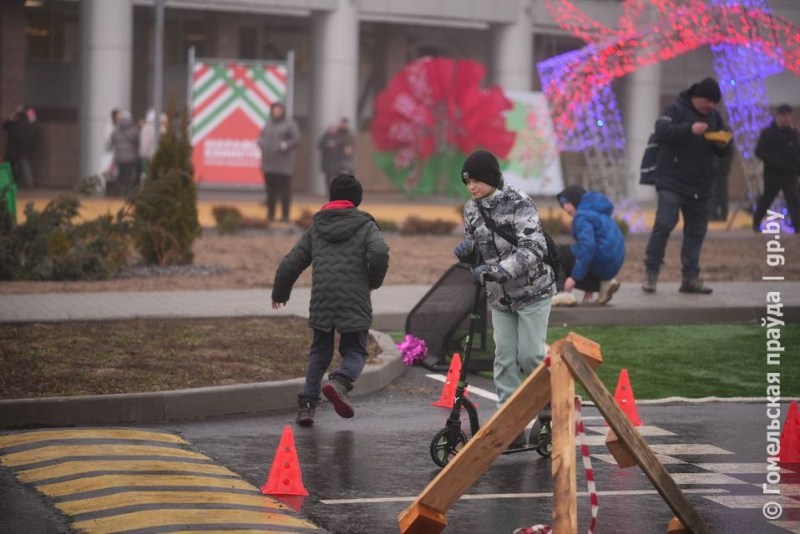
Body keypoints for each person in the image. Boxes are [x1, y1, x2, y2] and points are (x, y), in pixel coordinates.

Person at [452, 149, 555, 450]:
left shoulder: (519, 202)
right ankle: (509, 423)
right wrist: (470, 256)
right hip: (500, 297)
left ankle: (548, 411)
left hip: (533, 291)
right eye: (468, 182)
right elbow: (478, 247)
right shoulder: (471, 208)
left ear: (493, 178)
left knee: (531, 355)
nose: (472, 187)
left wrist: (500, 270)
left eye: (478, 181)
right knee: (504, 358)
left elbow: (533, 248)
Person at [271, 174, 390, 427]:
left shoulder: (317, 227)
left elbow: (292, 262)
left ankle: (306, 408)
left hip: (322, 299)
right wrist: (373, 281)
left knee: (319, 353)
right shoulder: (366, 225)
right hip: (354, 299)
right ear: (356, 200)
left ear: (331, 198)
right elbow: (379, 251)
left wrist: (280, 293)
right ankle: (340, 382)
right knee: (356, 350)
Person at [642, 77, 732, 294]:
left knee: (696, 233)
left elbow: (724, 149)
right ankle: (651, 274)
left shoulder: (714, 117)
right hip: (671, 180)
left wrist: (722, 145)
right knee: (664, 224)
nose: (711, 106)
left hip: (701, 184)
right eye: (708, 101)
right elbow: (662, 130)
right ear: (696, 97)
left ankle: (690, 279)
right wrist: (689, 129)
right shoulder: (675, 109)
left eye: (714, 102)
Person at [551, 185, 625, 306]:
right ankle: (603, 285)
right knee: (577, 259)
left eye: (566, 202)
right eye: (562, 204)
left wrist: (574, 278)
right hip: (611, 267)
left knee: (555, 252)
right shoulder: (599, 213)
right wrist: (587, 286)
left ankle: (560, 291)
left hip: (600, 259)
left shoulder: (582, 216)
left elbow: (587, 247)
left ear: (575, 200)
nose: (564, 207)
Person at [753, 104, 800, 232]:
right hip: (773, 173)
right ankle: (756, 222)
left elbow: (797, 153)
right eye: (783, 115)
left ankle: (797, 224)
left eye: (788, 115)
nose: (786, 118)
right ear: (778, 116)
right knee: (767, 198)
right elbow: (759, 151)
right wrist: (772, 161)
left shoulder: (794, 133)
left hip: (790, 173)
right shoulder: (769, 133)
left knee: (793, 198)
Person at [257, 102, 300, 222]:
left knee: (284, 192)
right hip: (269, 164)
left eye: (278, 110)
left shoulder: (290, 124)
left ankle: (285, 215)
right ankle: (270, 215)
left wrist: (284, 145)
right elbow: (261, 136)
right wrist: (261, 142)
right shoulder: (268, 124)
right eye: (274, 110)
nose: (276, 112)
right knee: (270, 192)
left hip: (284, 166)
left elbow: (296, 139)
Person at [2, 105, 40, 189]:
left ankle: (15, 183)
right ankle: (27, 184)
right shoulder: (30, 124)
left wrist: (14, 114)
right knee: (23, 166)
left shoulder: (16, 123)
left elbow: (6, 125)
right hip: (24, 149)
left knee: (15, 167)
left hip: (15, 149)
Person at [318, 118, 355, 191]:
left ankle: (339, 191)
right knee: (329, 177)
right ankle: (329, 191)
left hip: (339, 161)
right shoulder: (326, 136)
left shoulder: (343, 136)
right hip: (329, 161)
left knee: (340, 177)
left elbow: (347, 147)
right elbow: (320, 145)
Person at [111, 110, 140, 196]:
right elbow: (137, 139)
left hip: (119, 156)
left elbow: (113, 139)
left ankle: (120, 190)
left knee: (121, 174)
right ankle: (127, 192)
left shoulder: (117, 129)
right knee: (128, 175)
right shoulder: (133, 130)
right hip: (130, 156)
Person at [139, 109, 168, 176]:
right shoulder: (162, 128)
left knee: (149, 174)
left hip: (149, 156)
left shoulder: (146, 128)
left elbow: (144, 143)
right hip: (160, 156)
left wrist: (143, 154)